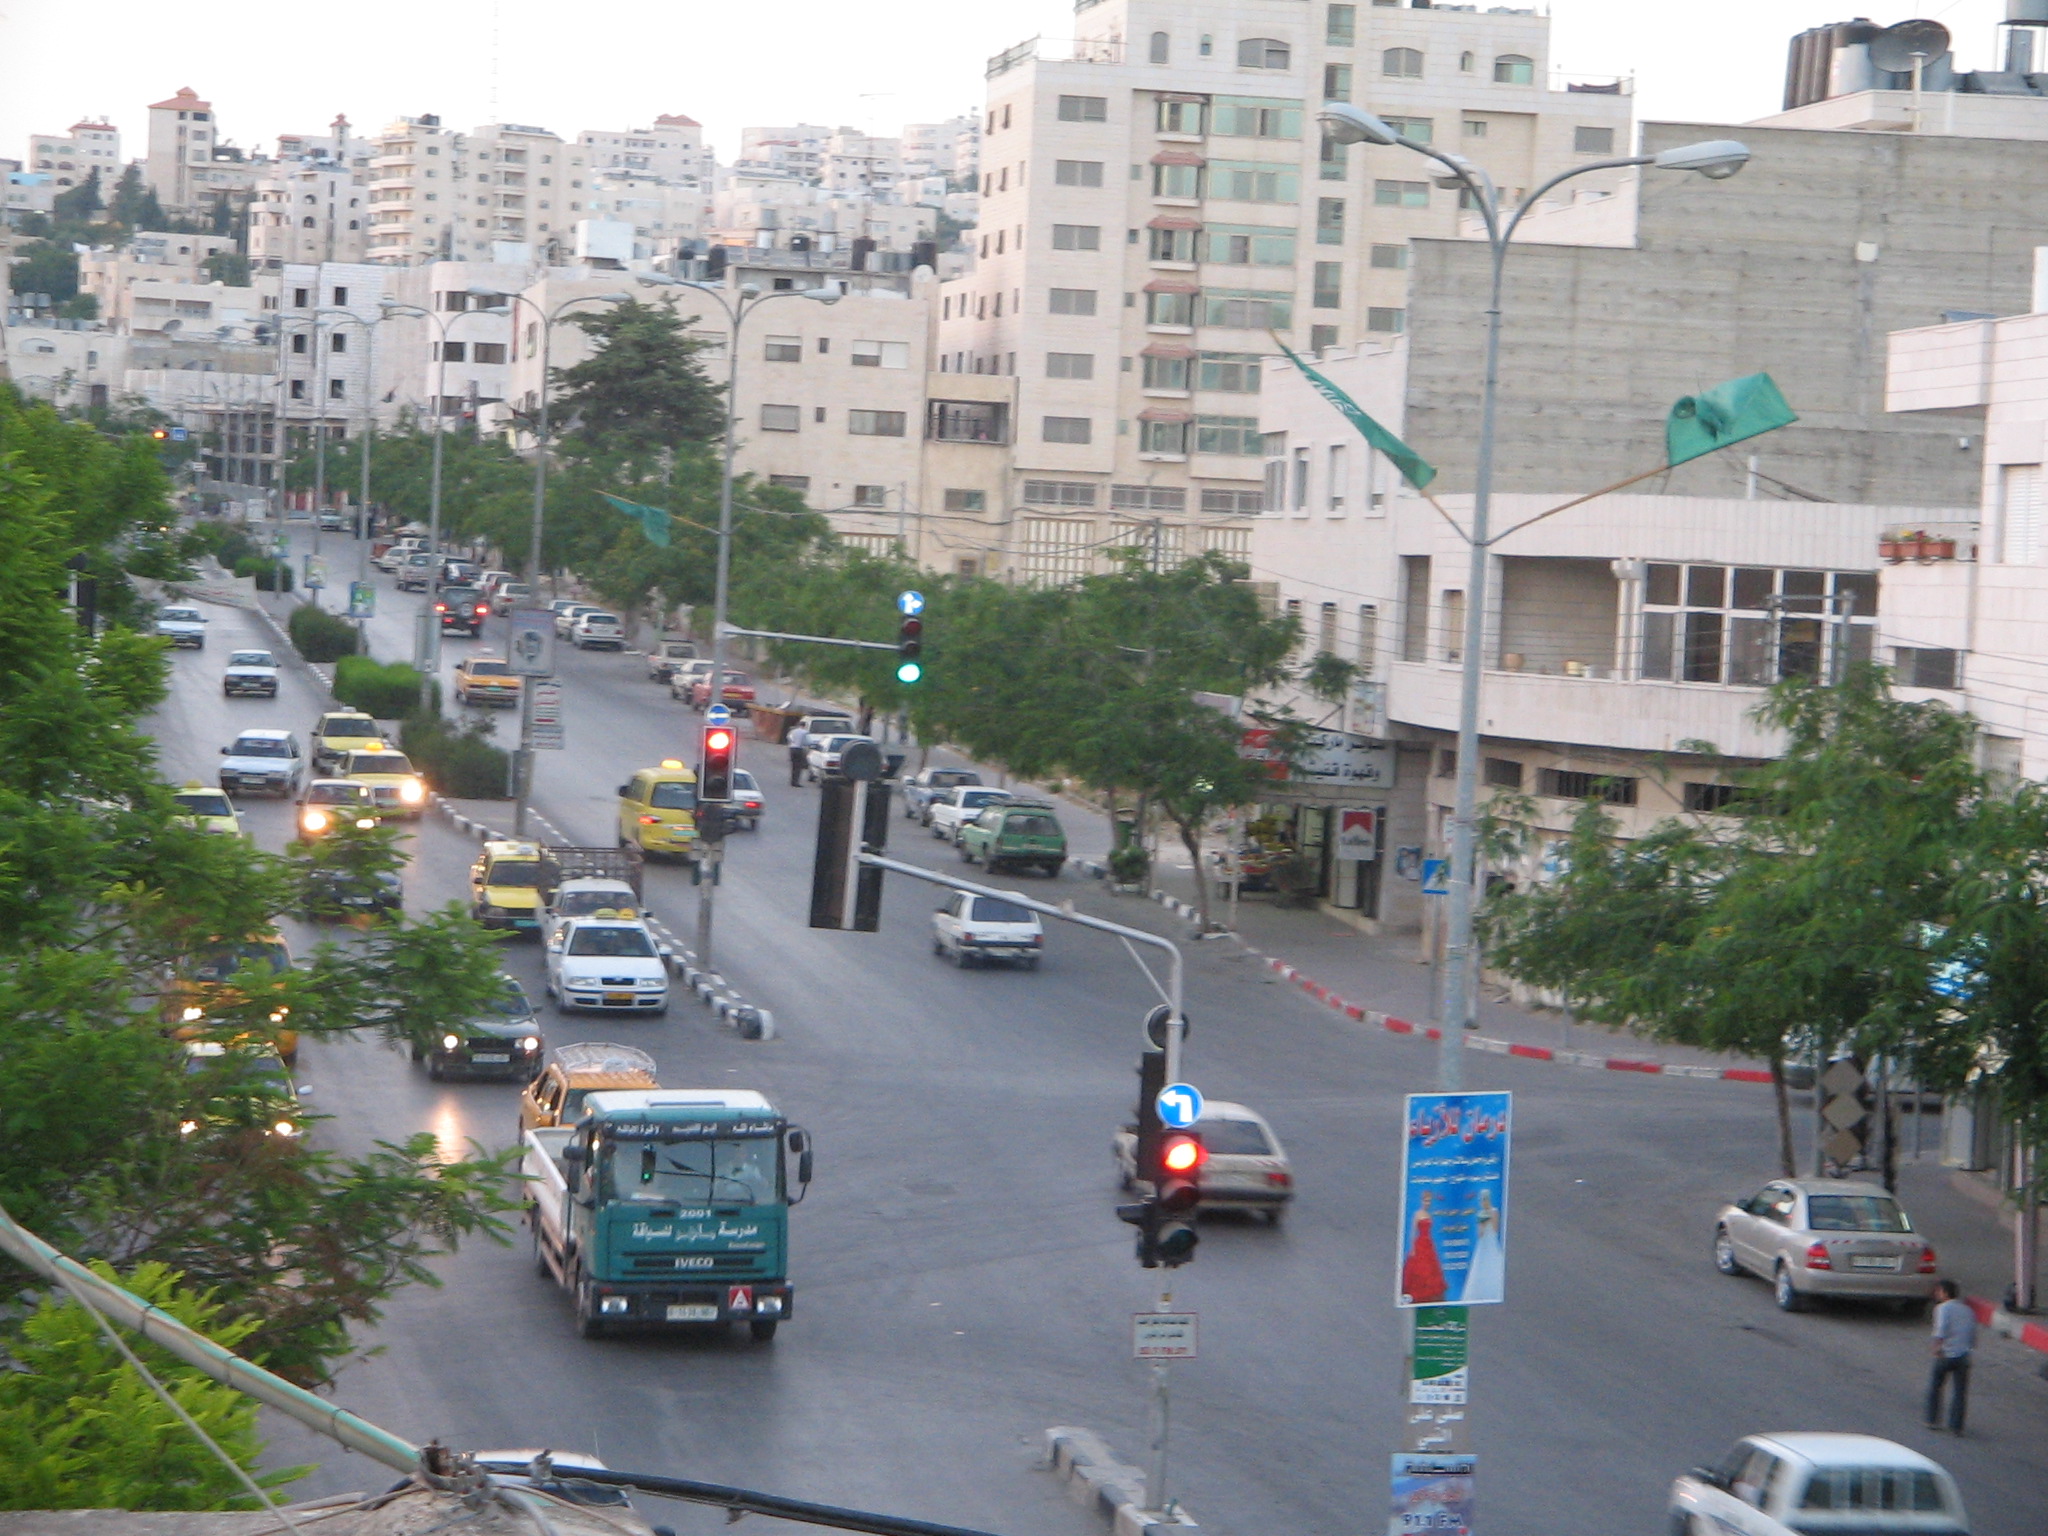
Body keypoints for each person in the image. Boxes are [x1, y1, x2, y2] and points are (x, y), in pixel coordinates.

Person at [1926, 1278, 1976, 1433]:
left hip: (1946, 1354)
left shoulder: (1942, 1308)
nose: (1937, 1294)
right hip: (1963, 1355)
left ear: (1945, 1292)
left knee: (1936, 1387)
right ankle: (1956, 1425)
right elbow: (1972, 1335)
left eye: (1938, 1291)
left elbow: (1940, 1330)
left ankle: (1932, 1420)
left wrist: (1936, 1348)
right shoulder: (1968, 1310)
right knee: (1960, 1392)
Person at [1400, 1190, 1447, 1305]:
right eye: (1426, 1201)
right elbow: (1413, 1232)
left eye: (1429, 1201)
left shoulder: (1429, 1214)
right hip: (1420, 1242)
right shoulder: (1418, 1214)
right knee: (1420, 1268)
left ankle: (1430, 1294)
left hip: (1428, 1242)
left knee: (1431, 1269)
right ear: (1422, 1201)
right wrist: (1413, 1248)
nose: (1428, 1203)